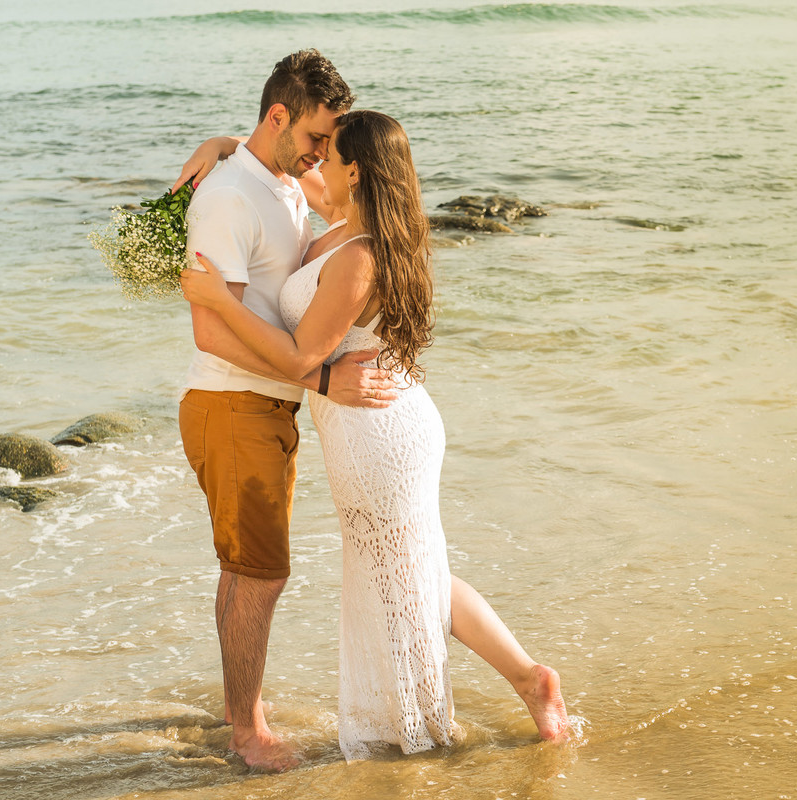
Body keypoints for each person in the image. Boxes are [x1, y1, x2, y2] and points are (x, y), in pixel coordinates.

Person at [181, 109, 569, 762]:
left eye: (327, 156)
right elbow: (269, 168)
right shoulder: (344, 231)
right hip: (371, 425)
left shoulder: (359, 256)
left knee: (404, 580)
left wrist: (220, 302)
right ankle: (530, 681)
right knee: (417, 575)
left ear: (354, 170)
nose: (316, 165)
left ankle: (442, 725)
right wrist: (223, 145)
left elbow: (304, 357)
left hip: (380, 434)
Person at [178, 50, 401, 772]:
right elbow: (211, 328)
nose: (322, 153)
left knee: (244, 569)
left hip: (262, 407)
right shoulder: (230, 198)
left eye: (328, 143)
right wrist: (322, 378)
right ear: (278, 116)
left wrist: (221, 143)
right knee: (262, 574)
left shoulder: (278, 183)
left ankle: (239, 710)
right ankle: (247, 734)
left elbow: (337, 194)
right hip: (232, 402)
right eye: (314, 137)